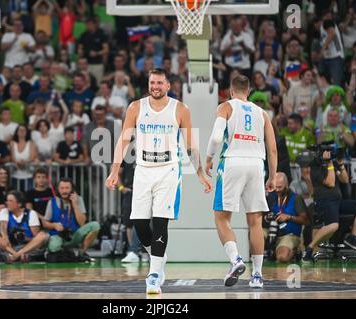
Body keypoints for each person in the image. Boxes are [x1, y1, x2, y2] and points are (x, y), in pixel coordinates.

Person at [105, 68, 211, 294]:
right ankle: (158, 256)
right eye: (152, 82)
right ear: (148, 84)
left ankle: (153, 275)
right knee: (141, 224)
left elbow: (191, 145)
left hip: (168, 170)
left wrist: (200, 172)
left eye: (160, 83)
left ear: (168, 86)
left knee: (161, 221)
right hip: (143, 169)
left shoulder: (180, 109)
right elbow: (123, 142)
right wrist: (115, 171)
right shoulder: (135, 107)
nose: (155, 86)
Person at [205, 75, 277, 288]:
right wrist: (272, 176)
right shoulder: (262, 113)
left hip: (232, 163)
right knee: (255, 221)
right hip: (256, 165)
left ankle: (235, 259)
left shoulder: (226, 107)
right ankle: (257, 275)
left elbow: (217, 137)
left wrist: (209, 158)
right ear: (249, 90)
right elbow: (272, 149)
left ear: (230, 90)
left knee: (221, 217)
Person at [302, 150, 356, 262]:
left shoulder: (332, 165)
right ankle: (309, 249)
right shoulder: (315, 167)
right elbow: (331, 182)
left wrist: (340, 164)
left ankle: (352, 238)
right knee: (333, 226)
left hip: (338, 201)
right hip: (324, 201)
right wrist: (329, 164)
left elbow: (345, 179)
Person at [43, 179, 100, 262]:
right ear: (58, 190)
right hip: (58, 235)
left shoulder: (78, 199)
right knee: (54, 247)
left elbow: (82, 223)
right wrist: (54, 225)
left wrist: (75, 205)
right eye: (62, 188)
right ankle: (65, 252)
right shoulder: (52, 201)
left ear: (72, 189)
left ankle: (81, 253)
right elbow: (45, 223)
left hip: (74, 234)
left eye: (67, 188)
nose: (64, 191)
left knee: (95, 225)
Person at [0, 190, 49, 263]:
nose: (7, 203)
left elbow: (35, 236)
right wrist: (5, 237)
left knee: (43, 235)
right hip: (9, 246)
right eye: (7, 200)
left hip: (26, 246)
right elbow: (3, 227)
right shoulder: (4, 211)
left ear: (19, 204)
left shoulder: (31, 213)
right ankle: (16, 255)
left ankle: (14, 256)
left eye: (10, 201)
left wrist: (24, 238)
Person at [264, 172, 309, 262]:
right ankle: (260, 257)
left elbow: (305, 221)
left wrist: (289, 217)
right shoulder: (271, 197)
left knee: (282, 258)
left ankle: (295, 251)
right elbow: (264, 216)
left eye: (280, 187)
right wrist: (266, 218)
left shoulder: (296, 198)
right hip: (272, 232)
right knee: (257, 233)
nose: (276, 190)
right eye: (275, 187)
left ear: (287, 185)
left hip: (289, 235)